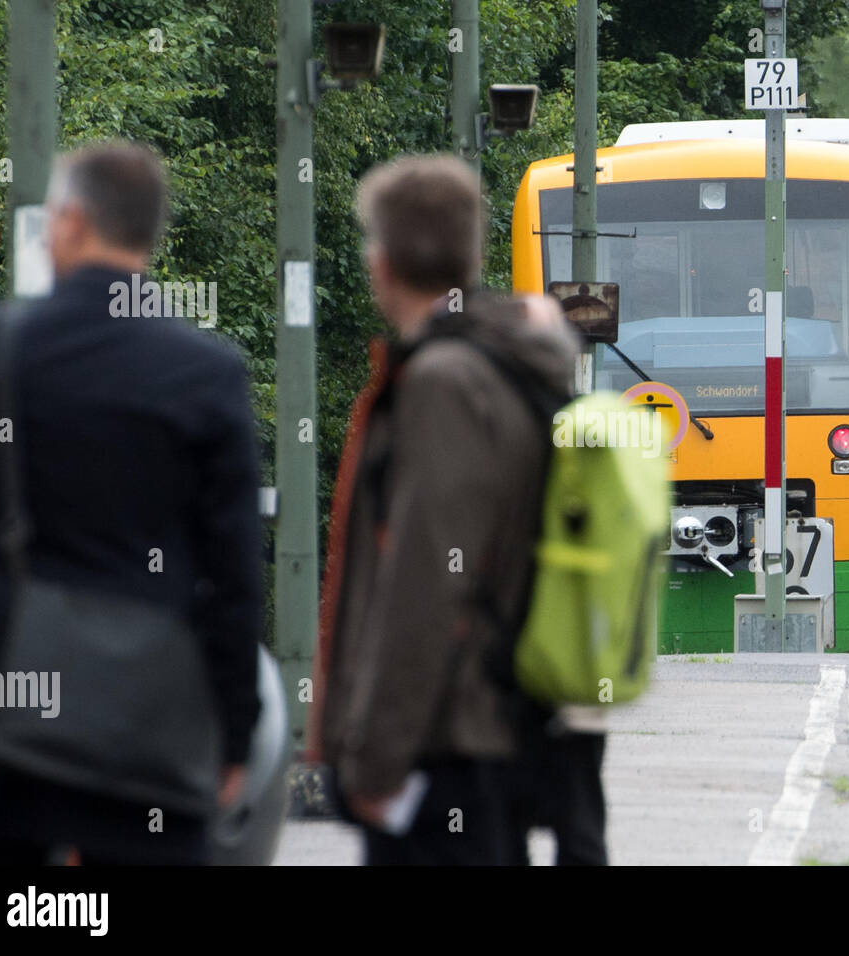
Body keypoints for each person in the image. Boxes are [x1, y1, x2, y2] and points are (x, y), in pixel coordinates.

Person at [0, 141, 262, 865]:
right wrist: (234, 732)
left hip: (3, 724)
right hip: (145, 733)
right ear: (149, 237)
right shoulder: (208, 374)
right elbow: (236, 576)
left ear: (68, 222)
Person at [316, 154, 582, 865]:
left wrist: (377, 758)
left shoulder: (443, 381)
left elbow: (429, 580)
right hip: (491, 728)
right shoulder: (505, 366)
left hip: (446, 744)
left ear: (384, 262)